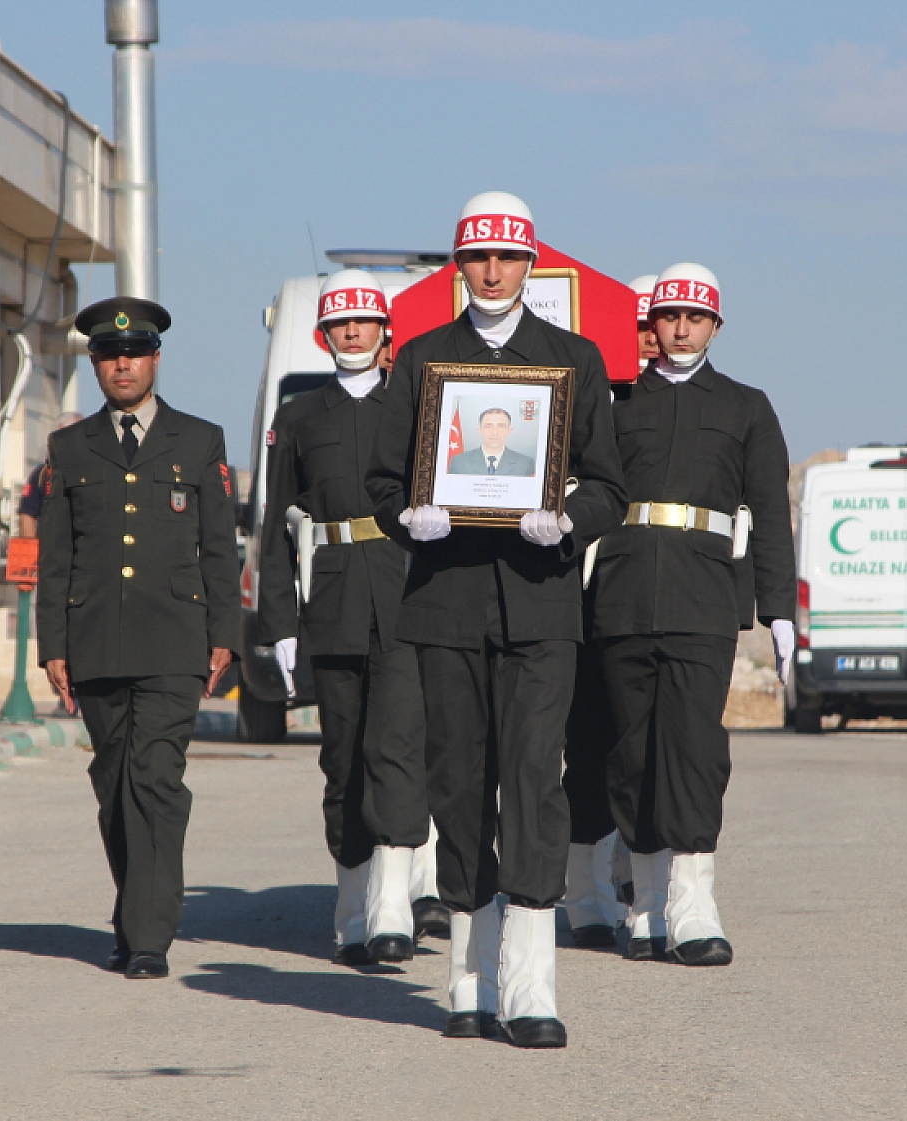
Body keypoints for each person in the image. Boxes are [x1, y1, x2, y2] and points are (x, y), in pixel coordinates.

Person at [367, 191, 627, 1049]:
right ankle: (468, 980)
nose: (491, 271)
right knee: (457, 785)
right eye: (476, 257)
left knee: (533, 781)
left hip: (542, 604)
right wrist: (410, 515)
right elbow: (379, 480)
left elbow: (608, 485)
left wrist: (571, 519)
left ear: (528, 266)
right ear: (458, 265)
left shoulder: (575, 359)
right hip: (444, 604)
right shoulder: (422, 361)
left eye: (507, 258)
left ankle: (530, 984)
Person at [589, 263, 796, 967]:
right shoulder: (614, 404)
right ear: (651, 322)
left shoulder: (747, 406)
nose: (680, 328)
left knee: (694, 747)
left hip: (705, 595)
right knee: (630, 750)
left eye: (695, 318)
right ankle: (645, 905)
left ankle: (694, 902)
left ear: (715, 325)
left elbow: (770, 511)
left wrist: (781, 610)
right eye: (669, 316)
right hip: (619, 591)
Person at [35, 296, 239, 980]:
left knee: (155, 776)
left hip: (175, 639)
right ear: (95, 363)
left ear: (155, 358)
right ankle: (135, 910)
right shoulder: (69, 448)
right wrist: (52, 644)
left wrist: (224, 636)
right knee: (114, 782)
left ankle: (149, 933)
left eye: (134, 352)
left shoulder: (199, 439)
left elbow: (219, 548)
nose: (122, 364)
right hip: (95, 639)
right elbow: (56, 556)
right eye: (108, 355)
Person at [256, 269, 442, 966]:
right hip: (331, 600)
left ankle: (393, 904)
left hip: (405, 597)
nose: (354, 332)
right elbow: (277, 525)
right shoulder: (301, 418)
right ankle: (352, 904)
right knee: (343, 761)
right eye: (341, 324)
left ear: (385, 330)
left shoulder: (418, 407)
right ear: (322, 335)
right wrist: (280, 622)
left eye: (365, 321)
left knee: (396, 748)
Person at [559, 273, 660, 947]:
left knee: (645, 750)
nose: (651, 339)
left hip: (642, 602)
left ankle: (636, 880)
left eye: (658, 326)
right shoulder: (595, 399)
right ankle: (585, 893)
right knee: (586, 749)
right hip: (581, 595)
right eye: (641, 327)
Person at [13, 413, 84, 539]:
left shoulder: (98, 471)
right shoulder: (42, 474)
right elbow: (27, 515)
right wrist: (31, 550)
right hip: (51, 550)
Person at [448, 408, 536, 476]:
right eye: (488, 426)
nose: (494, 432)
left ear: (509, 430)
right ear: (480, 430)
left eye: (501, 426)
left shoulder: (526, 464)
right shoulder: (459, 462)